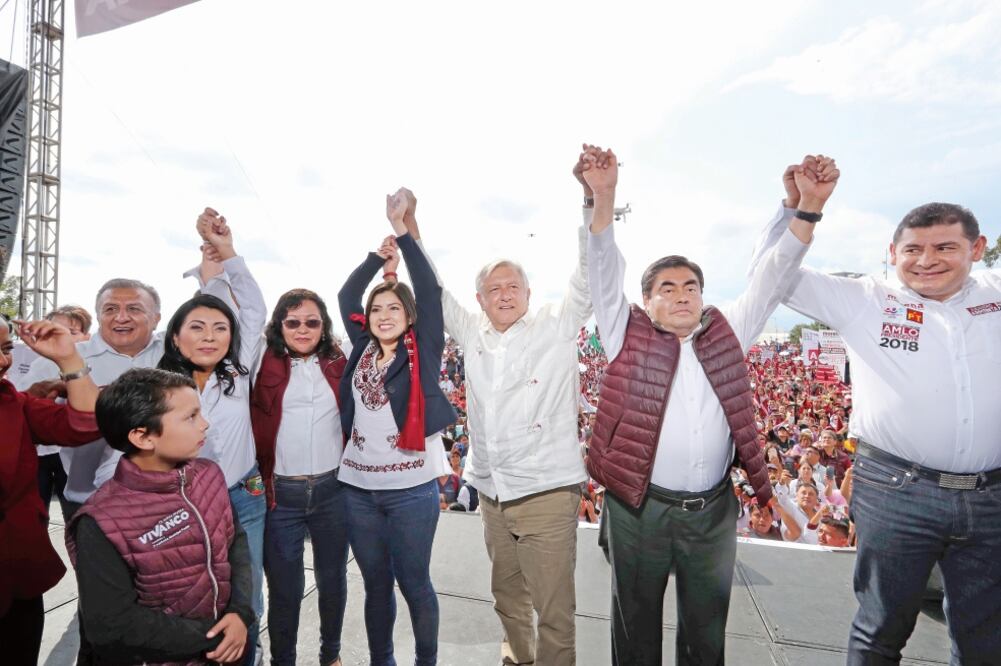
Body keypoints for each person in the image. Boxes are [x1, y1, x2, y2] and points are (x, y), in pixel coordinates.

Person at [584, 148, 839, 665]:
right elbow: (603, 268)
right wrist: (602, 197)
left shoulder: (727, 333)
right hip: (640, 510)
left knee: (707, 634)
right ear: (646, 301)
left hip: (711, 513)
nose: (682, 296)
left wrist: (805, 211)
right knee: (635, 631)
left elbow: (772, 277)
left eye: (691, 286)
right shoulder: (622, 333)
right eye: (667, 288)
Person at [751, 191, 1001, 663]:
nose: (927, 261)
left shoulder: (995, 295)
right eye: (912, 249)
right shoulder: (866, 299)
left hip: (991, 495)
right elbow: (770, 276)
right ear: (892, 254)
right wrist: (796, 210)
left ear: (978, 247)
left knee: (983, 635)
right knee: (882, 627)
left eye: (945, 247)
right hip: (897, 492)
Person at [405, 148, 593, 665]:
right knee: (508, 600)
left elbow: (589, 271)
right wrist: (411, 230)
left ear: (530, 293)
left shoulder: (558, 323)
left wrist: (591, 200)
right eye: (494, 288)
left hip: (547, 491)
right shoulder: (471, 332)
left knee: (555, 609)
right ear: (480, 298)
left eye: (514, 286)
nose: (505, 294)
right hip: (491, 491)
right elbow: (432, 289)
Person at [337, 190, 457, 666]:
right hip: (357, 489)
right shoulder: (361, 345)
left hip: (410, 489)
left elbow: (428, 290)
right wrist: (376, 257)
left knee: (414, 583)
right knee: (375, 585)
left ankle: (425, 661)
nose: (384, 316)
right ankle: (381, 660)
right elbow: (347, 296)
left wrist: (405, 233)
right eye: (378, 309)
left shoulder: (421, 350)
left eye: (394, 309)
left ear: (408, 317)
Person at [67, 368, 255, 665]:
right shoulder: (100, 521)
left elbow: (235, 543)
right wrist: (215, 636)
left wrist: (240, 612)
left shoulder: (210, 476)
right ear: (143, 437)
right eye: (190, 417)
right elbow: (111, 626)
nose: (204, 424)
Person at [153, 208, 268, 665]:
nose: (210, 336)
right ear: (175, 337)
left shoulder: (238, 370)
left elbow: (254, 308)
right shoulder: (156, 382)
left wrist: (228, 252)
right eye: (197, 328)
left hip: (243, 497)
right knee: (190, 596)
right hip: (180, 502)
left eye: (221, 328)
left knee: (248, 595)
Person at [251, 287, 350, 666]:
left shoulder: (339, 361)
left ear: (324, 326)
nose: (303, 329)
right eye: (293, 322)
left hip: (333, 492)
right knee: (285, 591)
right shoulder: (261, 360)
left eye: (312, 322)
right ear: (278, 325)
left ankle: (331, 655)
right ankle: (284, 661)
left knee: (332, 582)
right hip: (281, 497)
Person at [0, 315, 101, 664]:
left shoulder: (15, 404)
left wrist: (68, 360)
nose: (3, 362)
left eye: (5, 349)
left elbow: (85, 424)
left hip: (18, 581)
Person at [24, 305, 93, 523]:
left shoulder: (89, 364)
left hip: (74, 454)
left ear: (86, 336)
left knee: (76, 514)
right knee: (35, 512)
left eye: (71, 333)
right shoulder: (38, 364)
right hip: (41, 455)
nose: (61, 337)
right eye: (55, 330)